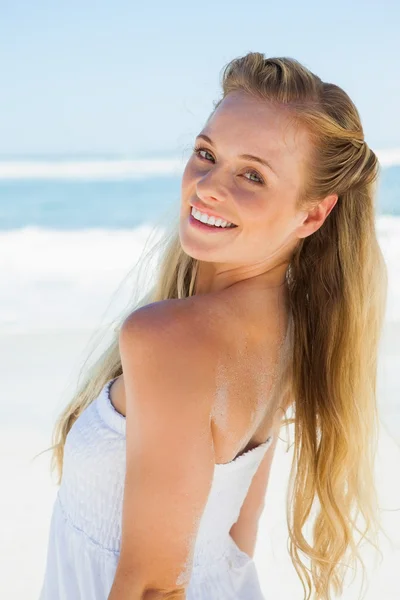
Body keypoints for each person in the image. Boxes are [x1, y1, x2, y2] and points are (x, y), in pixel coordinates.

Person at [38, 52, 387, 600]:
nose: (207, 187)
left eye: (252, 174)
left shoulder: (171, 338)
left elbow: (154, 588)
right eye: (206, 154)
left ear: (313, 215)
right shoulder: (293, 331)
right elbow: (235, 541)